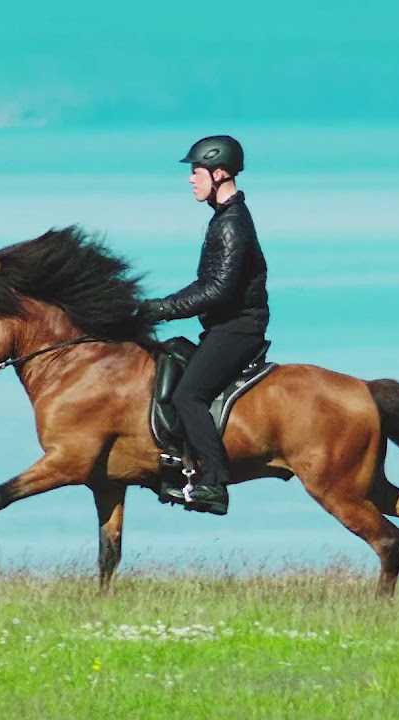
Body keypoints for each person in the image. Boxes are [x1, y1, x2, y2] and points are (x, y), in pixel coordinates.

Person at [136, 135, 270, 516]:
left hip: (238, 329)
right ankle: (179, 467)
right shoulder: (223, 218)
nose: (190, 180)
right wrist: (160, 306)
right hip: (224, 327)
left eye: (196, 172)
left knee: (187, 396)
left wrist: (160, 309)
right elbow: (207, 286)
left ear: (220, 172)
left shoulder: (231, 224)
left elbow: (216, 289)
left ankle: (213, 482)